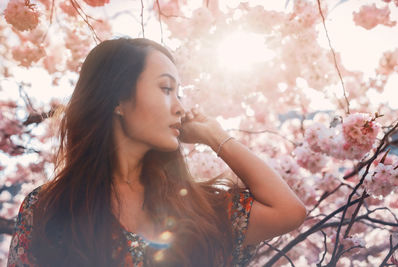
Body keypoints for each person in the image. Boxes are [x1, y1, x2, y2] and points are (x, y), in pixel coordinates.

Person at [7, 37, 306, 267]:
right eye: (166, 89)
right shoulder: (48, 208)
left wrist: (216, 137)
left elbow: (289, 211)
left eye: (179, 93)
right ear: (118, 99)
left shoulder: (197, 208)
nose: (180, 107)